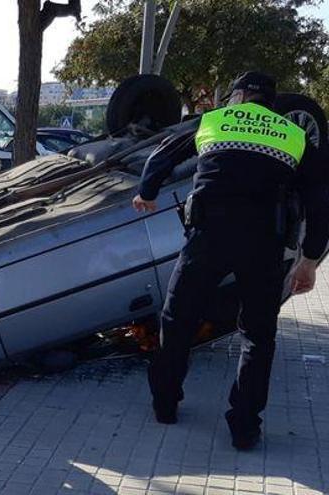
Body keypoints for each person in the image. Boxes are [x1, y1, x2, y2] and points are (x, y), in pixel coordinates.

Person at [132, 72, 329, 450]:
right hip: (264, 244)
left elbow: (163, 156)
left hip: (208, 237)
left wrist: (147, 192)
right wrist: (309, 261)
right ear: (272, 103)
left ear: (237, 96)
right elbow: (319, 200)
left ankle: (165, 405)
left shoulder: (214, 120)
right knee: (257, 336)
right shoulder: (294, 135)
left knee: (177, 319)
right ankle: (244, 428)